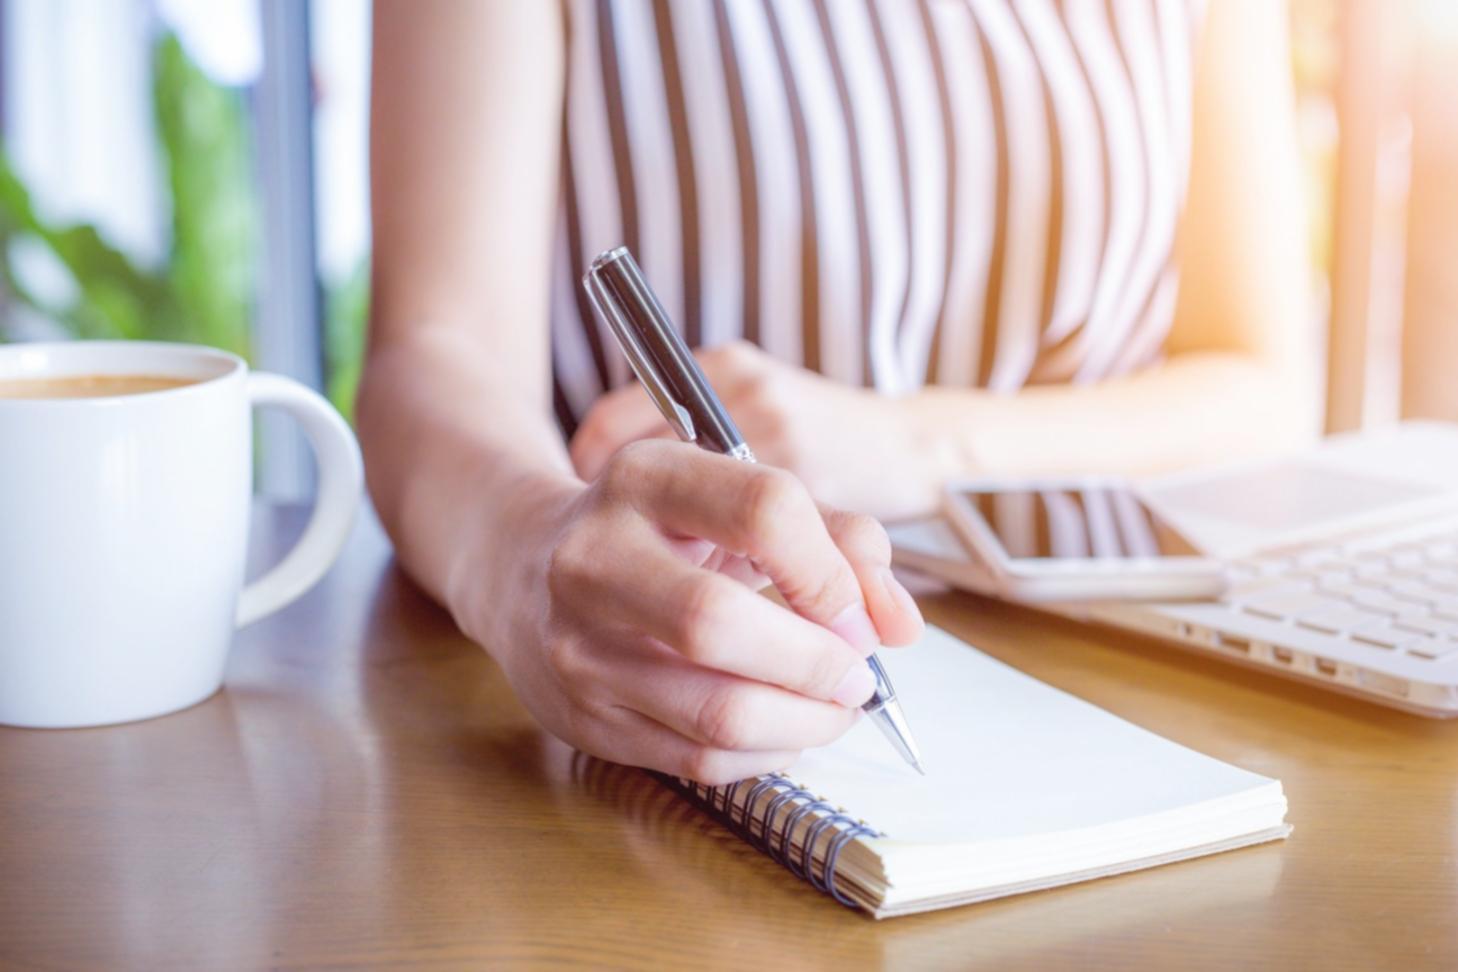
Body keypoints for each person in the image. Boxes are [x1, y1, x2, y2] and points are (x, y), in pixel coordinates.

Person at [362, 0, 1313, 784]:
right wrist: (524, 551)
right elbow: (436, 350)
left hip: (1145, 678)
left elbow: (1266, 387)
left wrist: (909, 445)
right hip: (659, 686)